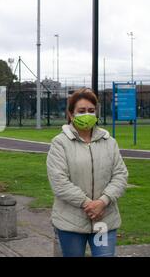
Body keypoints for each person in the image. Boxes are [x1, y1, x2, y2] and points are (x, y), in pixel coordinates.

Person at [46, 88, 128, 257]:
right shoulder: (60, 143)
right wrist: (87, 204)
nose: (87, 115)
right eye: (81, 111)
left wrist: (102, 202)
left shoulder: (109, 142)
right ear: (70, 114)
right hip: (71, 221)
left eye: (91, 111)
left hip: (104, 221)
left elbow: (120, 175)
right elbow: (59, 182)